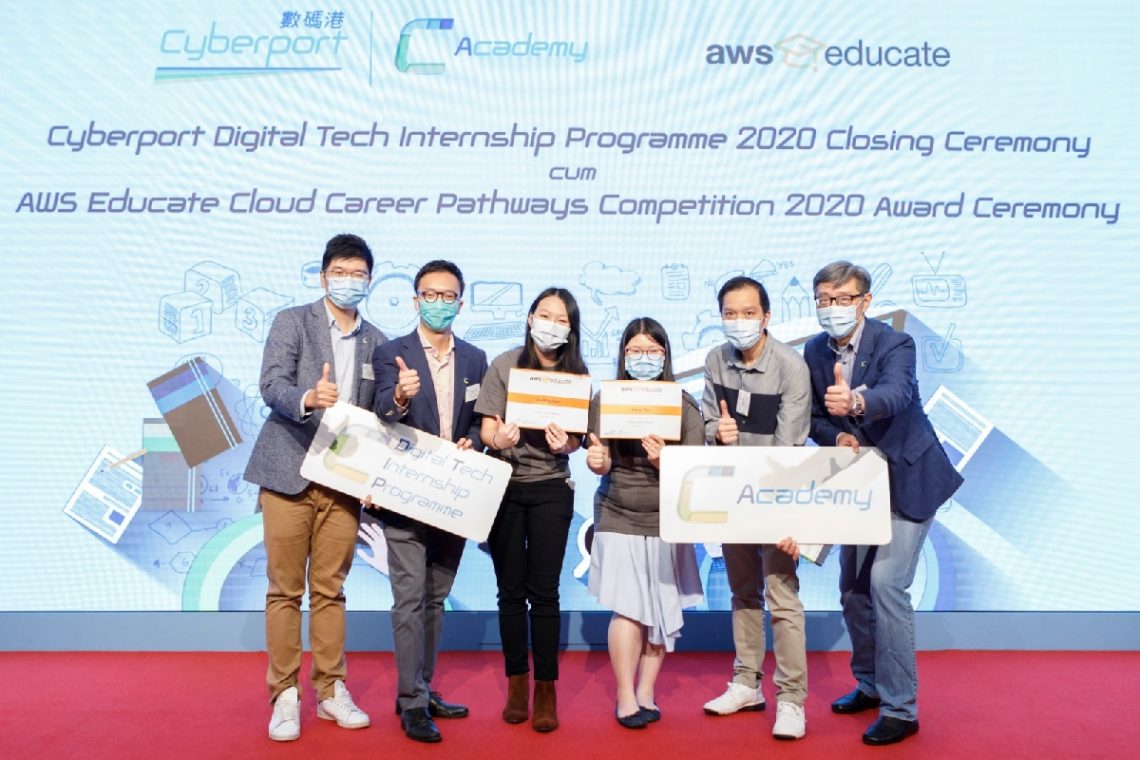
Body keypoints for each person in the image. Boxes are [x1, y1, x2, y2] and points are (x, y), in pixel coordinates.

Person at [803, 261, 963, 746]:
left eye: (843, 298)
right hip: (859, 484)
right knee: (853, 590)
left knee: (886, 585)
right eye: (824, 300)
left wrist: (855, 404)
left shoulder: (895, 343)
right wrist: (837, 438)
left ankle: (902, 708)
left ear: (865, 301)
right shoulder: (813, 349)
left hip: (908, 479)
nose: (833, 308)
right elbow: (814, 417)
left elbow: (896, 394)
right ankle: (870, 684)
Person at [244, 233, 385, 742]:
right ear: (324, 275)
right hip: (287, 471)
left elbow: (378, 416)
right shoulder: (293, 321)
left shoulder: (377, 340)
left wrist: (402, 402)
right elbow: (270, 384)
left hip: (342, 479)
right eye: (341, 272)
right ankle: (284, 694)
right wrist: (308, 395)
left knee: (331, 591)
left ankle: (330, 691)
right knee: (285, 590)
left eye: (359, 273)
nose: (350, 281)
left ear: (370, 279)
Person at [371, 260, 488, 743]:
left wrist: (476, 442)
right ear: (415, 300)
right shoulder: (389, 353)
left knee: (435, 597)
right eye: (430, 295)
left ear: (461, 302)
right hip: (404, 491)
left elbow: (484, 419)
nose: (440, 303)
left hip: (454, 494)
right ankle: (412, 703)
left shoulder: (477, 358)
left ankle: (421, 687)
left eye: (449, 296)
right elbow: (378, 409)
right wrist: (399, 395)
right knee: (408, 597)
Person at [700, 276, 812, 741]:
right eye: (730, 312)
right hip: (731, 497)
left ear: (766, 316)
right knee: (743, 592)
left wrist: (785, 515)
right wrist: (715, 433)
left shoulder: (790, 366)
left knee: (781, 595)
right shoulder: (714, 359)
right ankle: (747, 683)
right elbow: (708, 421)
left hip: (777, 492)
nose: (739, 321)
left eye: (749, 313)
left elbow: (790, 446)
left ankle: (791, 699)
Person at [474, 287, 588, 732]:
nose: (552, 325)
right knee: (509, 591)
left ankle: (545, 688)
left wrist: (570, 444)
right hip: (504, 485)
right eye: (545, 315)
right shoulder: (505, 365)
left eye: (561, 320)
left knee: (544, 592)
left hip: (550, 488)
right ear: (529, 318)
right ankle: (516, 682)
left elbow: (578, 439)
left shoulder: (576, 374)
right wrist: (496, 440)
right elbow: (487, 428)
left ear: (571, 329)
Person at [584, 317, 704, 729]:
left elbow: (696, 468)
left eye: (653, 351)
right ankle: (624, 695)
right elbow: (596, 455)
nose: (644, 358)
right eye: (635, 351)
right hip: (618, 513)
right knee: (628, 608)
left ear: (666, 356)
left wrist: (665, 460)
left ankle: (647, 691)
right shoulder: (605, 400)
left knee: (660, 608)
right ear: (622, 355)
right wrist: (596, 461)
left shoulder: (684, 403)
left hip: (668, 518)